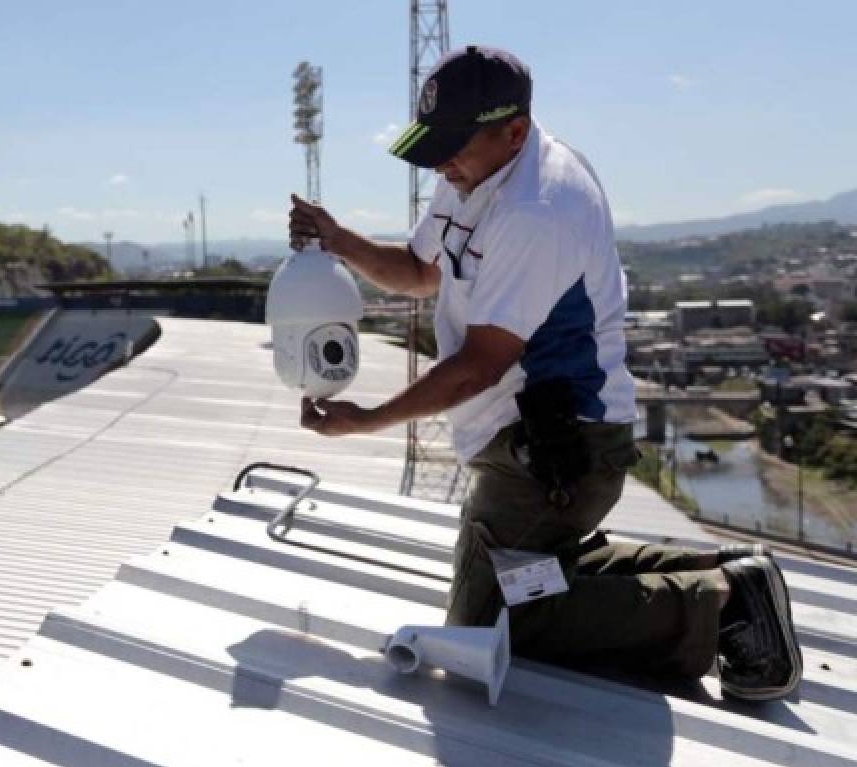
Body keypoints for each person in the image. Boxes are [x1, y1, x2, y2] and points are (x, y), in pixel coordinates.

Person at [288, 45, 801, 700]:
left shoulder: (538, 209)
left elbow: (479, 365)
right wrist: (336, 238)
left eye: (453, 147)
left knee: (492, 623)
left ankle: (717, 605)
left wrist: (369, 421)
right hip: (531, 442)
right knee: (533, 572)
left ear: (515, 131)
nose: (442, 164)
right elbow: (420, 273)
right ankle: (726, 573)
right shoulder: (474, 172)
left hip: (558, 453)